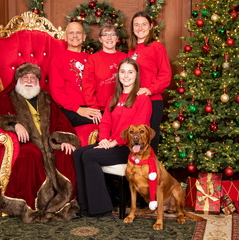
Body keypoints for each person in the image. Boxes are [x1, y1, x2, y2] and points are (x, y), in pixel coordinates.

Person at [0, 63, 80, 223]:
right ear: (18, 80)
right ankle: (32, 206)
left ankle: (64, 204)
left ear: (38, 81)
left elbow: (61, 121)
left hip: (50, 143)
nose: (29, 80)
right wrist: (15, 124)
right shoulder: (8, 98)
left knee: (66, 154)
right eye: (25, 77)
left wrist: (64, 139)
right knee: (31, 156)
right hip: (27, 144)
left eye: (33, 77)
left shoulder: (46, 98)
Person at [73, 58, 152, 217]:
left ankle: (101, 208)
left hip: (129, 148)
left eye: (130, 72)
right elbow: (105, 123)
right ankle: (84, 206)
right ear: (118, 75)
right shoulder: (113, 98)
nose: (126, 76)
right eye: (122, 72)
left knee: (89, 156)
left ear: (136, 75)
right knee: (78, 153)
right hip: (111, 144)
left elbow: (137, 130)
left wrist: (115, 142)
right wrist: (103, 139)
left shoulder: (142, 99)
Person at [128, 11, 172, 153]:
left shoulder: (156, 47)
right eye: (136, 25)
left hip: (152, 100)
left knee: (149, 140)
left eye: (144, 24)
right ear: (132, 28)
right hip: (134, 101)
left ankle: (150, 171)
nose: (140, 28)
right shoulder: (131, 50)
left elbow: (166, 75)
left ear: (151, 26)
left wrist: (149, 89)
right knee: (134, 139)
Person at [50, 22, 101, 126]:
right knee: (102, 122)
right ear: (65, 37)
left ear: (84, 37)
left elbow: (98, 87)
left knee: (114, 119)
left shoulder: (91, 58)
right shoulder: (58, 59)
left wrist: (95, 108)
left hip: (91, 106)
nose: (75, 36)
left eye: (78, 32)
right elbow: (56, 91)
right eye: (71, 33)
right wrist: (78, 109)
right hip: (69, 109)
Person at [82, 23, 126, 120]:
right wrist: (94, 108)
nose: (109, 38)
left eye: (112, 34)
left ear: (117, 38)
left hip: (122, 106)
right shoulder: (93, 59)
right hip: (100, 108)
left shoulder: (125, 57)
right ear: (100, 39)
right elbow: (88, 85)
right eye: (105, 35)